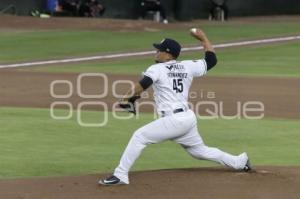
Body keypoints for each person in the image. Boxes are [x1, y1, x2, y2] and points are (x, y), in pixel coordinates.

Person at [99, 28, 253, 185]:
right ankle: (239, 161)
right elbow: (211, 60)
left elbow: (144, 83)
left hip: (174, 120)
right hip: (187, 119)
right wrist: (203, 38)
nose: (156, 53)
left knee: (139, 136)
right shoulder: (187, 66)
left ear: (168, 54)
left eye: (159, 50)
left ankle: (120, 175)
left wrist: (126, 99)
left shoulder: (156, 69)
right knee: (199, 151)